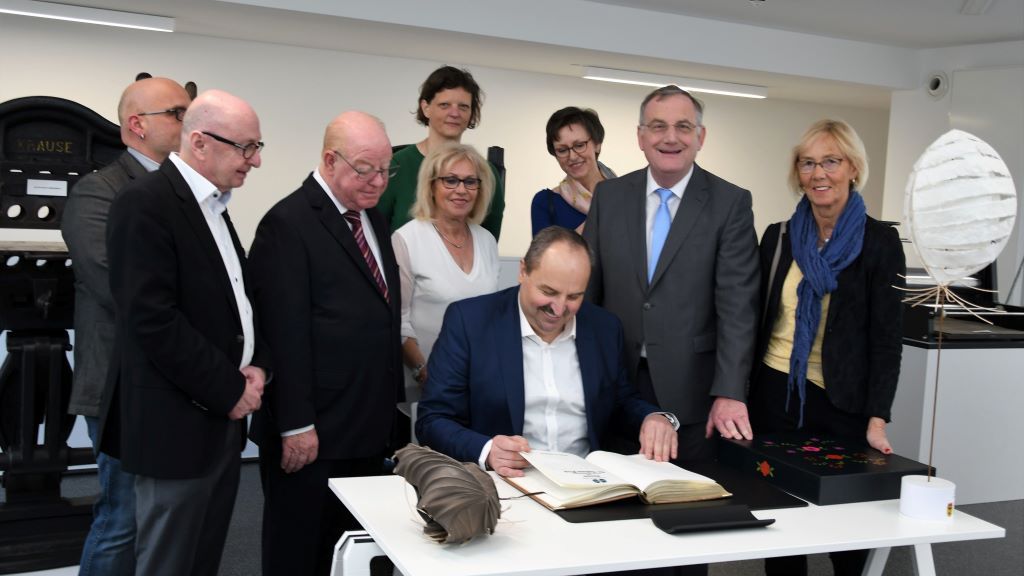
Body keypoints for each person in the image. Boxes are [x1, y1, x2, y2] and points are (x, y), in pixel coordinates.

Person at [102, 89, 269, 576]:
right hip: (174, 424)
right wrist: (229, 387)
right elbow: (151, 319)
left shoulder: (214, 206)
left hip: (220, 420)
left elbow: (234, 303)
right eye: (246, 147)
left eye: (257, 146)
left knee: (203, 557)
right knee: (168, 561)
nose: (255, 160)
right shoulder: (145, 203)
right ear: (199, 143)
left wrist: (256, 368)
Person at [248, 111, 403, 576]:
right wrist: (295, 424)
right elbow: (281, 332)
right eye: (365, 169)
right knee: (301, 552)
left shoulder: (370, 217)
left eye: (385, 169)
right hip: (313, 434)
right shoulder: (287, 223)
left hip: (367, 426)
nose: (378, 181)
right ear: (329, 159)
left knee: (356, 551)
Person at [748, 119, 905, 576]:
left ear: (853, 168)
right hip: (776, 394)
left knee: (847, 531)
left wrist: (878, 416)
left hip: (845, 403)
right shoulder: (778, 237)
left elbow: (886, 339)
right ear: (797, 172)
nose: (819, 173)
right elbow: (757, 319)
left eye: (831, 162)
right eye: (808, 162)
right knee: (780, 526)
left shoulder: (880, 242)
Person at [583, 85, 760, 462]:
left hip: (692, 393)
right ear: (640, 136)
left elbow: (738, 307)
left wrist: (729, 392)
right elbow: (589, 293)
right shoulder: (609, 197)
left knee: (684, 504)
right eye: (658, 126)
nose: (670, 137)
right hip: (616, 383)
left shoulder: (731, 203)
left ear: (700, 137)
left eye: (683, 126)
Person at [416, 226, 679, 476]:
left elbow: (621, 401)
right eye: (549, 292)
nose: (559, 308)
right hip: (507, 483)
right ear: (523, 271)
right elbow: (433, 420)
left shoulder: (604, 328)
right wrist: (487, 450)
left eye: (574, 296)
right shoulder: (470, 321)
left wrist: (652, 418)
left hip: (588, 482)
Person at [62, 76, 190, 576]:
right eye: (178, 114)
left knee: (162, 516)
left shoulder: (186, 194)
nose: (190, 123)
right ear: (137, 125)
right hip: (120, 388)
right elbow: (122, 289)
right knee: (122, 517)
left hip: (173, 381)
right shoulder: (98, 192)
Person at [393, 143, 499, 404]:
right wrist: (425, 374)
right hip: (422, 388)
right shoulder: (407, 239)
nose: (461, 190)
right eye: (450, 180)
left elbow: (492, 319)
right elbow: (398, 321)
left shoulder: (486, 241)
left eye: (470, 182)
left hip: (476, 387)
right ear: (431, 185)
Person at [377, 65, 505, 239]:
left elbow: (489, 243)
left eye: (463, 107)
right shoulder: (395, 166)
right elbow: (374, 237)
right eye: (444, 105)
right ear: (426, 107)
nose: (454, 113)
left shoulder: (487, 174)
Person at [531, 106, 616, 235]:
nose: (573, 156)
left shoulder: (625, 195)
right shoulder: (545, 203)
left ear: (597, 144)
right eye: (562, 150)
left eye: (580, 145)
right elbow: (544, 255)